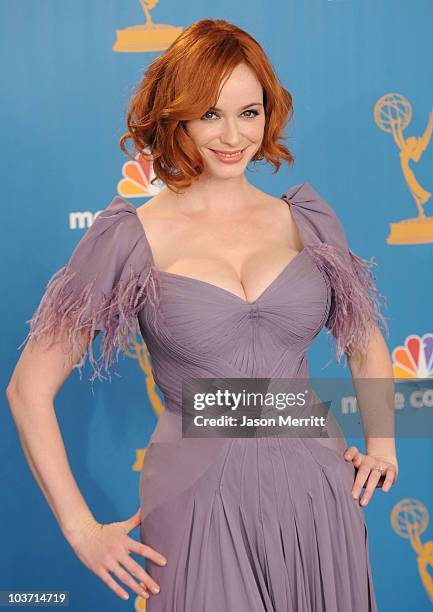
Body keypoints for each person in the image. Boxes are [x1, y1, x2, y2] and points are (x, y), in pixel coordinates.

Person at [7, 18, 399, 612]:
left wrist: (384, 445)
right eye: (210, 113)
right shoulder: (131, 236)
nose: (232, 135)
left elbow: (365, 337)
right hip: (196, 494)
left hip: (319, 488)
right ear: (175, 117)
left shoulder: (308, 221)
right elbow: (27, 389)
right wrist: (81, 530)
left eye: (249, 112)